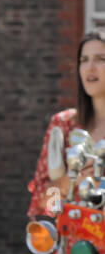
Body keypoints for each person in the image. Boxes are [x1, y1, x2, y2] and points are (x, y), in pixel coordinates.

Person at [27, 29, 105, 220]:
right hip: (74, 245)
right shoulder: (63, 125)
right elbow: (46, 206)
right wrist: (69, 181)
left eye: (100, 59)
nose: (90, 67)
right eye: (84, 60)